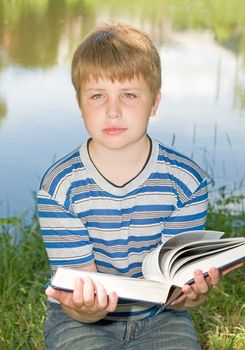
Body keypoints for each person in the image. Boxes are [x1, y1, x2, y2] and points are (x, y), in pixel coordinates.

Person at [37, 23, 225, 349]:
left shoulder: (186, 183)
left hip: (161, 316)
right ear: (80, 104)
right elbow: (77, 297)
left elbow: (175, 291)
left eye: (129, 94)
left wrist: (190, 295)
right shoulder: (59, 188)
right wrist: (84, 308)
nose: (113, 111)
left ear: (154, 102)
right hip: (79, 319)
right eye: (97, 96)